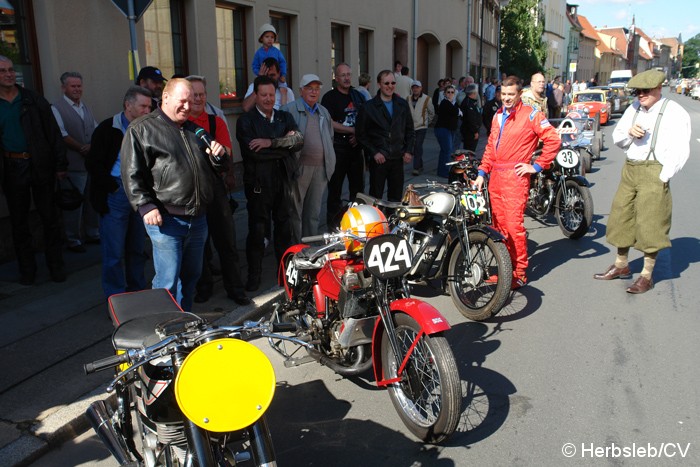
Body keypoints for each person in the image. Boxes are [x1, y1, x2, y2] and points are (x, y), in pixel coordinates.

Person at [121, 78, 227, 311]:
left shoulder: (194, 129)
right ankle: (162, 332)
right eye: (182, 101)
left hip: (198, 219)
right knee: (167, 282)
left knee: (191, 278)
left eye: (191, 102)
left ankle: (184, 323)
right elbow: (131, 173)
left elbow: (218, 167)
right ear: (165, 97)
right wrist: (144, 205)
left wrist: (218, 157)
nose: (188, 107)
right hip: (166, 220)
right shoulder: (141, 129)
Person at [594, 69, 691, 294]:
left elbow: (680, 149)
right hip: (631, 169)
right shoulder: (634, 109)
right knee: (621, 216)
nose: (640, 95)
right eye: (637, 91)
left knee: (651, 223)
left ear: (658, 88)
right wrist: (629, 132)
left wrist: (664, 176)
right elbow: (617, 137)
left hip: (654, 172)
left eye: (645, 91)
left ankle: (646, 275)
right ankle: (621, 265)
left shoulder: (674, 112)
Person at [473, 75, 560, 289]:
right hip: (496, 178)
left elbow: (554, 139)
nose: (507, 98)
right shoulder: (498, 115)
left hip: (515, 177)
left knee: (514, 227)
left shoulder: (531, 115)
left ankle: (519, 273)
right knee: (498, 227)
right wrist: (482, 173)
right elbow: (490, 148)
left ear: (520, 94)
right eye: (504, 94)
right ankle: (505, 270)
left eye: (511, 94)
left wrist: (537, 166)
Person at [0, 55, 68, 285]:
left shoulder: (32, 100)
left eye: (11, 70)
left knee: (49, 218)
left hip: (40, 165)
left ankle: (56, 267)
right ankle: (27, 271)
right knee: (19, 222)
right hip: (11, 167)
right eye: (3, 71)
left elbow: (53, 133)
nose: (9, 74)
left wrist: (60, 165)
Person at [185, 75, 250, 305]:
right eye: (195, 95)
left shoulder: (215, 122)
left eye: (202, 94)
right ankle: (204, 287)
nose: (199, 99)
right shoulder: (177, 125)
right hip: (190, 191)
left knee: (226, 240)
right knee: (198, 245)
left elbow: (227, 153)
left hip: (215, 187)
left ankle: (235, 287)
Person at [236, 75, 303, 292]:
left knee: (284, 232)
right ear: (255, 95)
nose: (267, 99)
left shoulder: (284, 117)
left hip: (283, 183)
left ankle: (283, 274)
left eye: (271, 95)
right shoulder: (245, 121)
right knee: (257, 232)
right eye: (263, 95)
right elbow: (254, 155)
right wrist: (282, 149)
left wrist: (270, 143)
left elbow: (298, 141)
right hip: (259, 185)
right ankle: (253, 276)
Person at [85, 86, 150, 299]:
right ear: (128, 105)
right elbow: (94, 164)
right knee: (113, 252)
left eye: (149, 106)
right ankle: (117, 299)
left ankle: (137, 292)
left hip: (140, 192)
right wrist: (112, 187)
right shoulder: (107, 129)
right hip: (116, 193)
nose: (147, 110)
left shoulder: (148, 129)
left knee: (137, 248)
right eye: (143, 106)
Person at [282, 74, 336, 242]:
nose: (313, 92)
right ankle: (296, 247)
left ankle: (310, 248)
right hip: (300, 167)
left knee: (313, 213)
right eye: (309, 88)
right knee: (295, 211)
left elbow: (330, 137)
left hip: (321, 169)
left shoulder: (323, 111)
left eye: (316, 88)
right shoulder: (289, 109)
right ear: (301, 90)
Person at [51, 71, 99, 253]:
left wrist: (92, 145)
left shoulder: (85, 107)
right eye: (73, 86)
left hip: (89, 164)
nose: (77, 89)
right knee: (74, 206)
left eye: (79, 86)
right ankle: (73, 239)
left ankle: (93, 233)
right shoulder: (56, 108)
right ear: (64, 88)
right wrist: (81, 147)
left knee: (91, 202)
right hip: (73, 166)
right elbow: (61, 134)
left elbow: (95, 128)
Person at [356, 69, 414, 201]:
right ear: (379, 84)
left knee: (396, 197)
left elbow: (410, 130)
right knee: (375, 198)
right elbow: (361, 135)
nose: (390, 86)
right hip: (379, 160)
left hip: (397, 159)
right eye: (386, 83)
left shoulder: (402, 105)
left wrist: (409, 151)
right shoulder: (368, 107)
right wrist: (374, 152)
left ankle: (392, 221)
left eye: (393, 83)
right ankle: (377, 221)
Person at [321, 62, 366, 227]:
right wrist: (351, 130)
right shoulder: (329, 98)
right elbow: (328, 122)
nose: (346, 78)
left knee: (358, 192)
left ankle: (358, 225)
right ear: (336, 78)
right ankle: (333, 227)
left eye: (349, 74)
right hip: (338, 150)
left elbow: (365, 119)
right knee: (335, 192)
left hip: (355, 151)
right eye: (343, 75)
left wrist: (358, 134)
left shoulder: (358, 96)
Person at [407, 80, 434, 176]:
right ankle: (420, 164)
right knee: (415, 147)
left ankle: (416, 168)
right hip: (411, 127)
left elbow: (431, 113)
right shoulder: (408, 98)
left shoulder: (427, 99)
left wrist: (426, 122)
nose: (415, 89)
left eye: (417, 87)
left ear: (421, 88)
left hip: (421, 127)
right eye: (413, 87)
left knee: (418, 146)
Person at [432, 84, 460, 178]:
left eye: (452, 92)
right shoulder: (445, 102)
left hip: (451, 129)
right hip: (443, 129)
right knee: (447, 150)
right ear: (444, 94)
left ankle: (442, 171)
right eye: (448, 92)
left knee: (446, 150)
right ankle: (444, 172)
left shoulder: (454, 103)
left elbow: (457, 112)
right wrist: (458, 111)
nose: (450, 94)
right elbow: (456, 112)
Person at [459, 84, 482, 153]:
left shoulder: (472, 102)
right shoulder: (468, 103)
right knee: (469, 151)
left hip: (471, 130)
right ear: (473, 93)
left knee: (470, 150)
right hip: (469, 132)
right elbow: (471, 119)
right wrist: (475, 131)